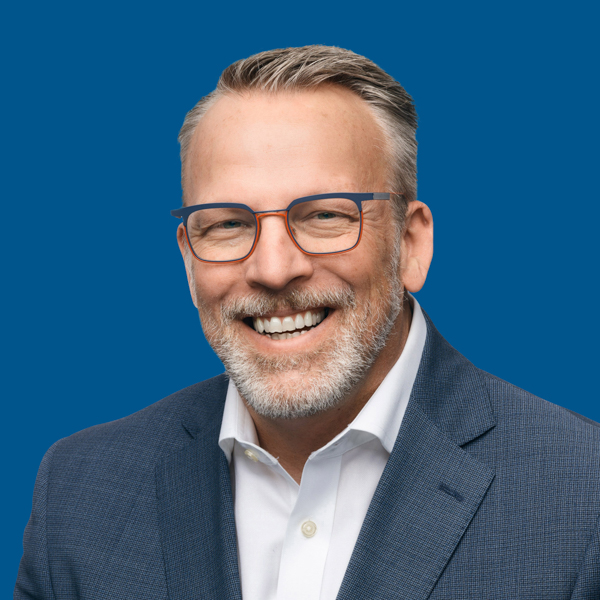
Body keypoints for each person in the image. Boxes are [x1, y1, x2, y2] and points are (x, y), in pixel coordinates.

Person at [15, 45, 600, 600]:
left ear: (411, 244)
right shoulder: (79, 492)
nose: (273, 269)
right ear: (188, 260)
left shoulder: (583, 494)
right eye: (226, 225)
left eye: (323, 215)